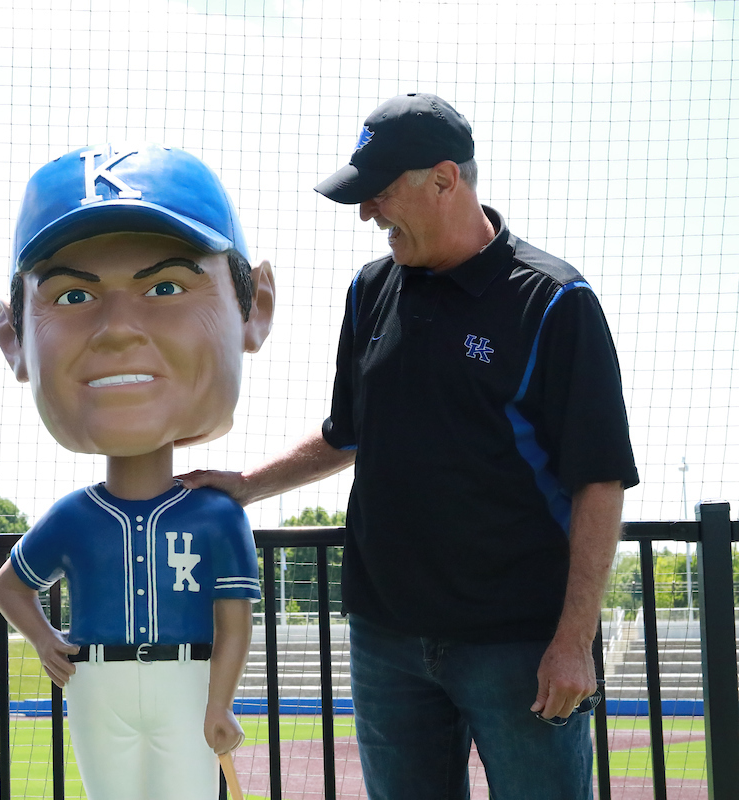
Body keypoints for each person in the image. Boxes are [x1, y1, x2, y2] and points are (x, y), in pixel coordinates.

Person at [181, 93, 640, 799]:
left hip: (517, 642)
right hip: (385, 638)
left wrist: (575, 641)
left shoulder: (552, 300)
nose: (367, 213)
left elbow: (599, 479)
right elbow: (346, 433)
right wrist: (246, 486)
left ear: (445, 180)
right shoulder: (370, 290)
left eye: (380, 192)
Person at [0, 143, 276, 799]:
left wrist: (221, 701)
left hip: (187, 675)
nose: (118, 330)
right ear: (14, 340)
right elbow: (9, 587)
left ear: (255, 307)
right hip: (96, 678)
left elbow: (234, 618)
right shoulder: (75, 514)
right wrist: (45, 640)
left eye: (166, 287)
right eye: (72, 295)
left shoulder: (216, 514)